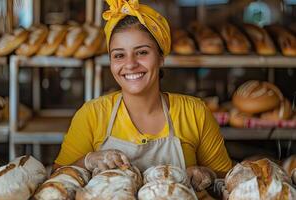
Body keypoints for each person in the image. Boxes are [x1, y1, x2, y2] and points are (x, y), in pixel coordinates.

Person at [53, 0, 232, 192]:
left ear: (161, 57)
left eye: (142, 52)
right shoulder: (92, 114)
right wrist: (88, 161)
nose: (130, 64)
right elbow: (57, 181)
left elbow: (228, 182)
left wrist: (208, 175)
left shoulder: (194, 112)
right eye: (119, 55)